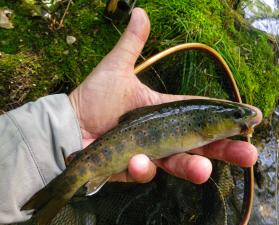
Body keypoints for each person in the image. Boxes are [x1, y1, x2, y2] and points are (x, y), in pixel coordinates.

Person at [0, 8, 261, 224]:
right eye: (238, 114)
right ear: (209, 124)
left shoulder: (208, 125)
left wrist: (56, 129)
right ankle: (54, 196)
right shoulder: (204, 123)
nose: (245, 119)